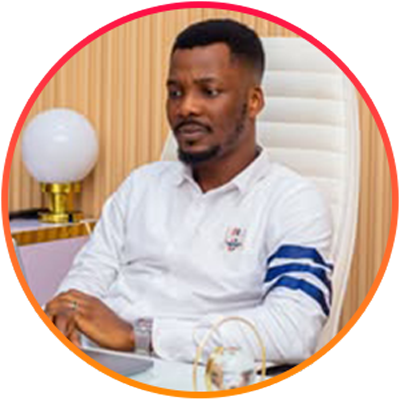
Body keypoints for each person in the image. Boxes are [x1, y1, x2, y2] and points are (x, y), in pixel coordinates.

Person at [40, 19, 333, 365]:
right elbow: (86, 280)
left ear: (253, 101)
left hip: (200, 377)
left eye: (209, 91)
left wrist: (140, 337)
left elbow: (293, 329)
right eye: (175, 92)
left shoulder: (293, 202)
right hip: (96, 368)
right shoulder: (141, 185)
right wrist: (63, 314)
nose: (185, 108)